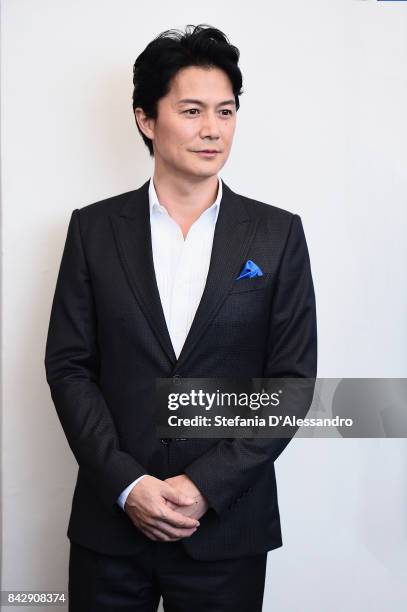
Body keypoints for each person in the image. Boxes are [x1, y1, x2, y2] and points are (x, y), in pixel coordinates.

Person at [44, 23, 317, 612]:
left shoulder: (277, 235)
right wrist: (127, 484)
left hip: (226, 528)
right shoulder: (93, 230)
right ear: (146, 118)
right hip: (110, 528)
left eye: (226, 111)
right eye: (191, 110)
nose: (212, 129)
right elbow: (69, 368)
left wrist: (204, 485)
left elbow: (291, 383)